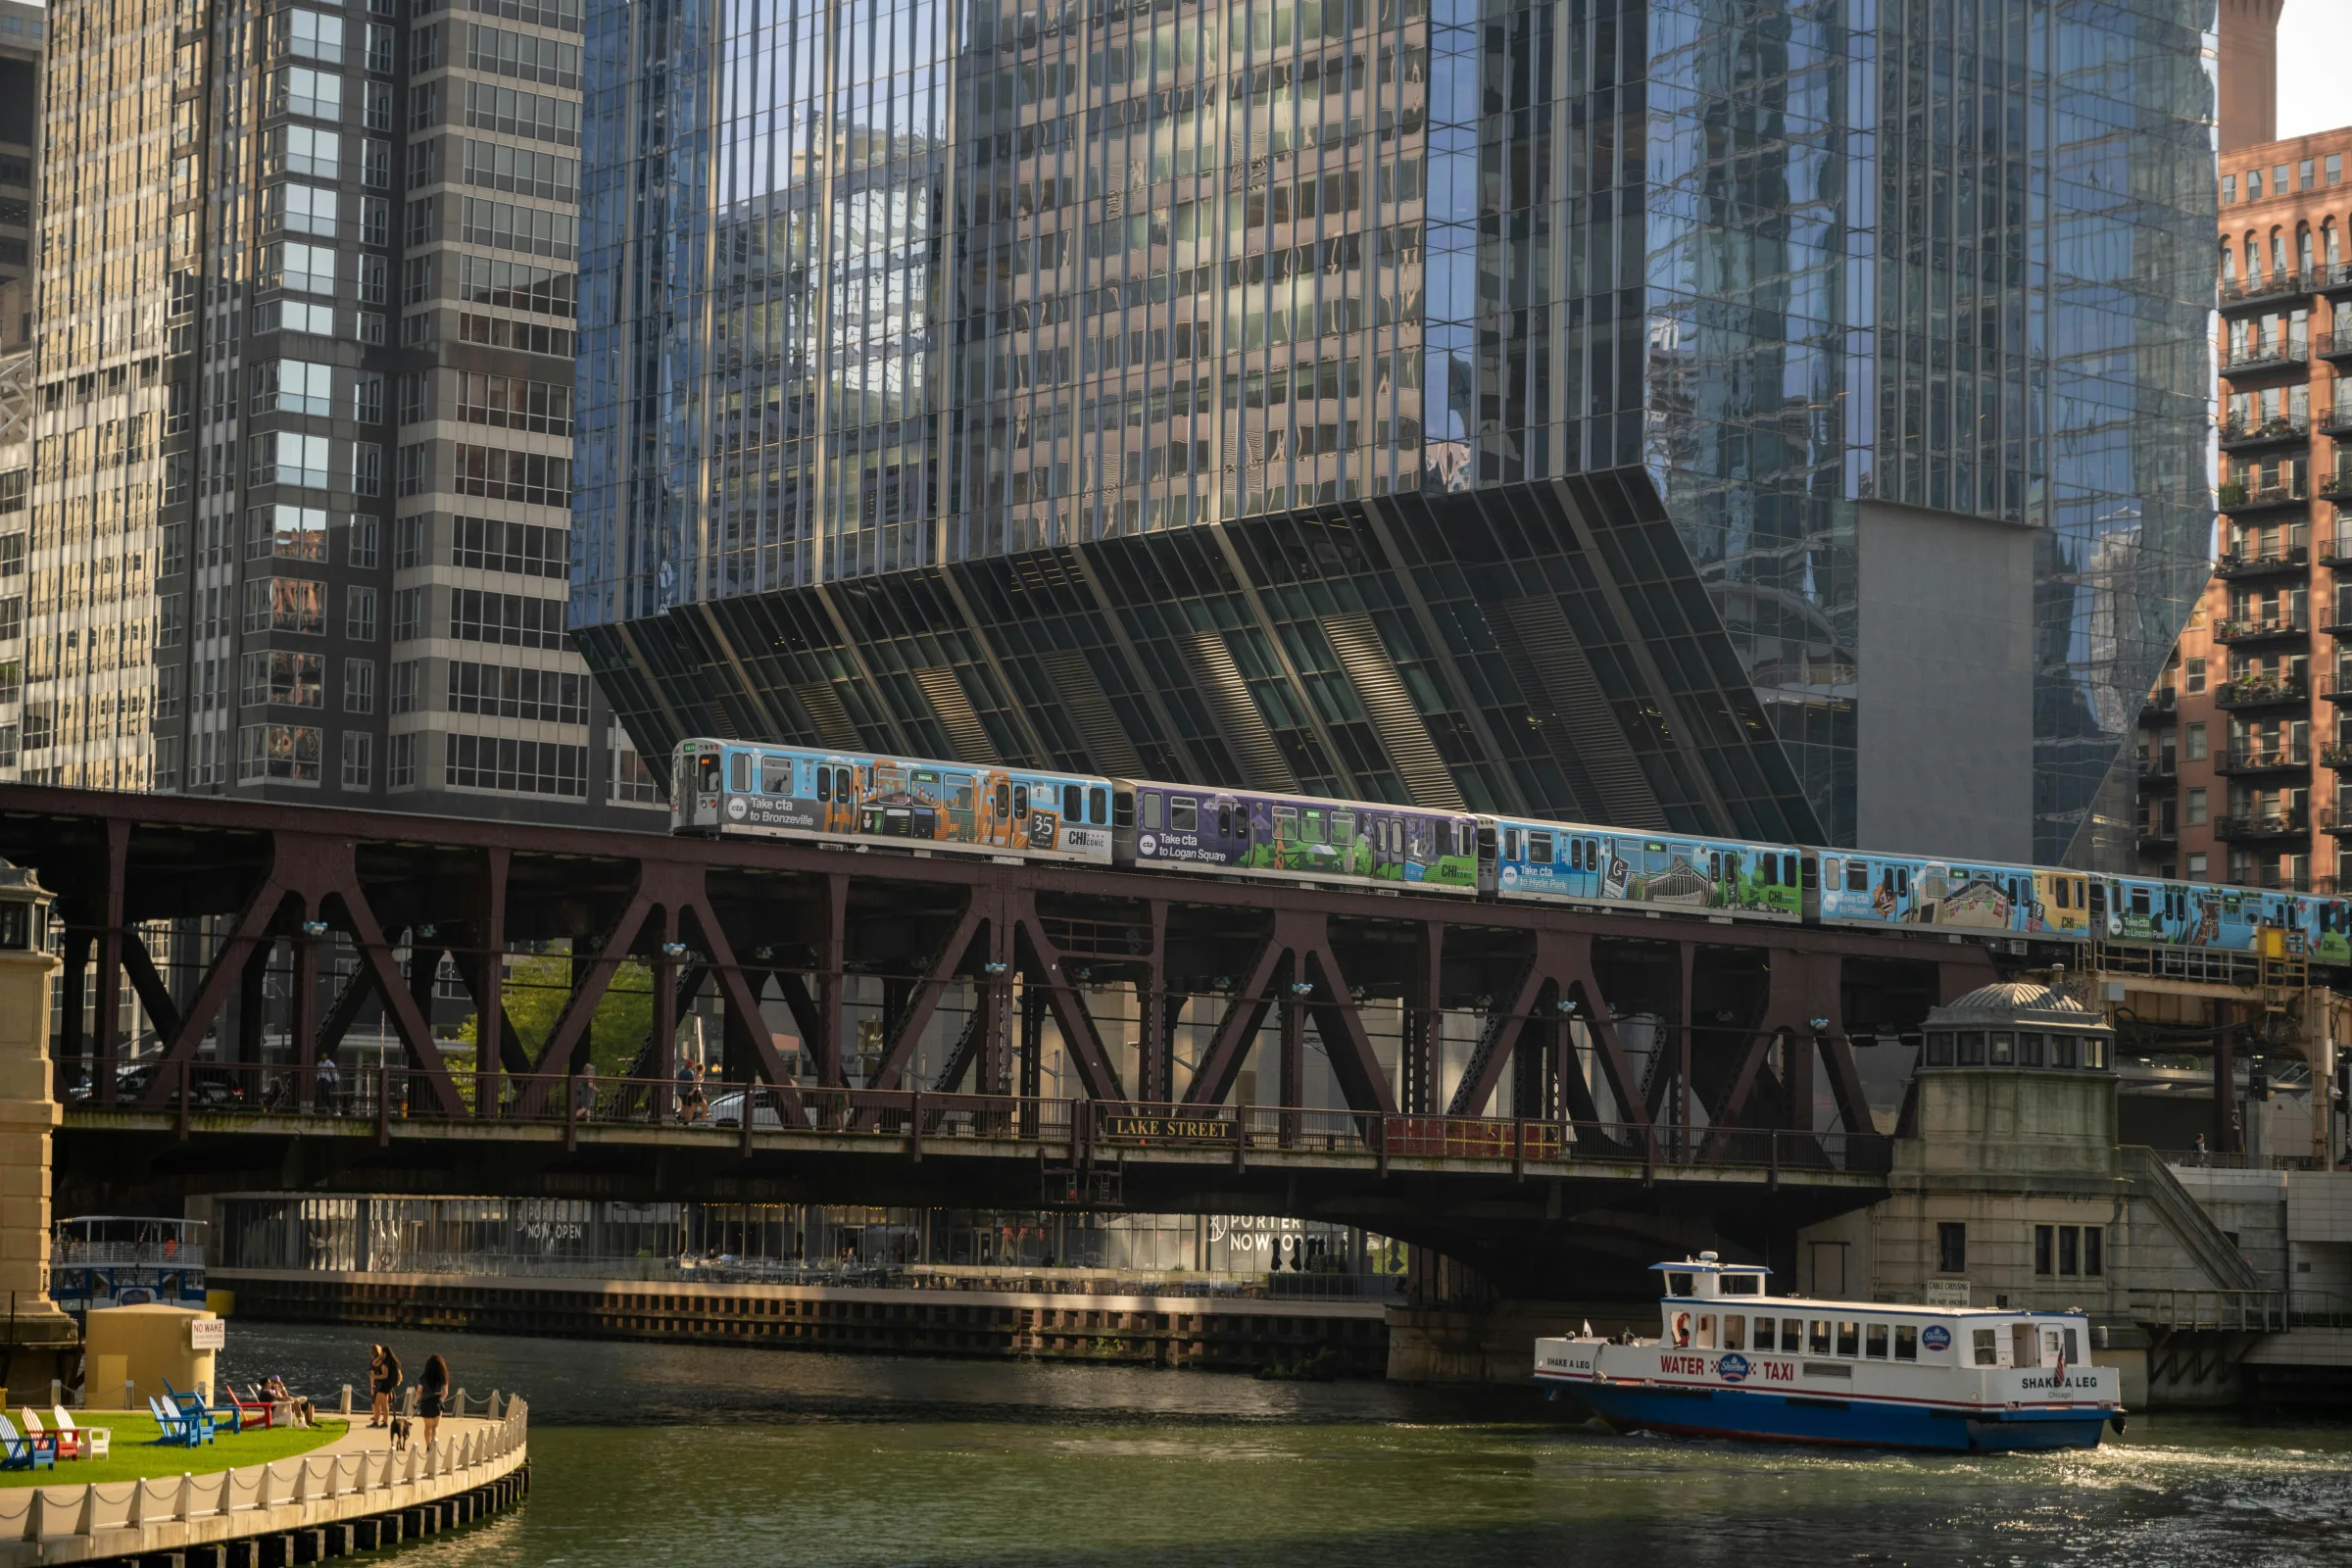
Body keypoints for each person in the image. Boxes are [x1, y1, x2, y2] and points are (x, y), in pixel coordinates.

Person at [417, 1353, 450, 1447]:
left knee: (427, 1427)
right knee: (435, 1427)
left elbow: (419, 1391)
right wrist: (441, 1400)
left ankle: (428, 1446)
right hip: (437, 1403)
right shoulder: (443, 1376)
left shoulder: (424, 1376)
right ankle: (433, 1444)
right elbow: (445, 1392)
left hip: (426, 1403)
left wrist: (415, 1403)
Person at [368, 1344, 401, 1429]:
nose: (380, 1354)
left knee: (383, 1405)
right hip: (386, 1386)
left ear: (385, 1353)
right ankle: (377, 1421)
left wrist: (375, 1377)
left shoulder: (386, 1363)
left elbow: (385, 1375)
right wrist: (379, 1357)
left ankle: (384, 1423)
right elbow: (374, 1364)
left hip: (384, 1386)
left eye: (382, 1352)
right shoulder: (388, 1361)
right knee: (378, 1403)